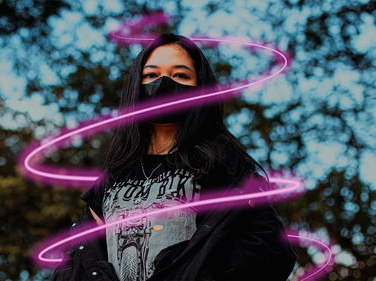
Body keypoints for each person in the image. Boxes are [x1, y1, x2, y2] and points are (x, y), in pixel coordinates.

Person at [50, 33, 297, 281]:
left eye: (180, 75)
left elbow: (271, 252)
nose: (164, 83)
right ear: (136, 84)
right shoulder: (114, 175)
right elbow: (81, 257)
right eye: (151, 75)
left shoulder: (222, 164)